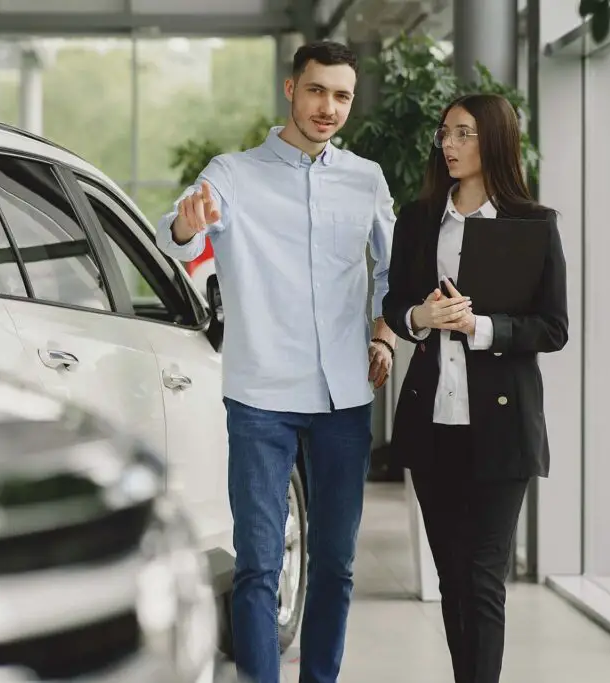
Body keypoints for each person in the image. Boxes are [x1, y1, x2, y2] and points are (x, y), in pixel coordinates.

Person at [156, 40, 396, 683]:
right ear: (291, 90)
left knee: (337, 565)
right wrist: (188, 223)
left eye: (342, 96)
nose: (329, 107)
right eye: (317, 91)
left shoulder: (365, 179)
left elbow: (393, 275)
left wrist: (385, 333)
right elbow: (170, 236)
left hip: (345, 398)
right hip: (262, 395)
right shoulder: (232, 173)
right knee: (259, 563)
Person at [381, 93, 568, 683]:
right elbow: (394, 304)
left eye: (463, 133)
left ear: (495, 139)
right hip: (433, 421)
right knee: (453, 576)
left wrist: (480, 327)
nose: (450, 145)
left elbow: (553, 328)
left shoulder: (534, 224)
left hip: (503, 425)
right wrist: (421, 319)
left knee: (484, 579)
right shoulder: (418, 219)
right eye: (445, 134)